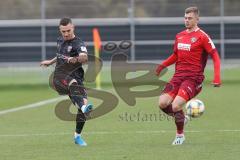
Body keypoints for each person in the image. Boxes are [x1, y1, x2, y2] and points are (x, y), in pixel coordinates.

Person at [155, 7, 221, 145]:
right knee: (162, 103)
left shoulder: (203, 36)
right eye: (185, 18)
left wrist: (217, 78)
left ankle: (180, 135)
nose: (187, 20)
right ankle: (182, 118)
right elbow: (175, 55)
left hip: (193, 78)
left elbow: (215, 56)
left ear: (197, 19)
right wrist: (162, 66)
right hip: (178, 76)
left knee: (175, 105)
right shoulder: (179, 35)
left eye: (190, 18)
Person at [40, 17, 93, 146]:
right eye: (63, 31)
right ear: (60, 30)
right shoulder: (60, 40)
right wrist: (50, 62)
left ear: (73, 27)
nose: (66, 34)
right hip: (60, 77)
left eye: (68, 31)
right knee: (72, 82)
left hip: (76, 77)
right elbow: (59, 55)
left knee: (83, 109)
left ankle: (77, 136)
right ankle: (83, 106)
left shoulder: (78, 43)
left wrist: (75, 59)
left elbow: (85, 58)